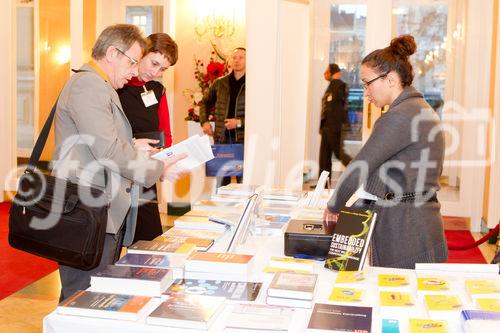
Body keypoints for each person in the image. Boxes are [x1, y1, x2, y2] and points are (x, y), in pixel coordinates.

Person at [52, 24, 187, 301]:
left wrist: (133, 147)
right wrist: (159, 169)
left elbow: (104, 143)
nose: (134, 71)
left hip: (99, 210)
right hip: (86, 212)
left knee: (95, 297)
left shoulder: (100, 85)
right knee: (82, 298)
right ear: (112, 53)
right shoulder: (89, 86)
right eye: (132, 62)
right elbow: (109, 151)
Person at [323, 35, 448, 269]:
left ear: (390, 79)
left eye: (367, 82)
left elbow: (360, 166)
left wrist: (333, 206)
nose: (366, 92)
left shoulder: (400, 116)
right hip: (418, 221)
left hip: (406, 229)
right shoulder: (417, 108)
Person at [117, 33, 177, 243]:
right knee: (113, 240)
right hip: (117, 170)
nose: (155, 72)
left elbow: (166, 134)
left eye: (162, 69)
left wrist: (164, 155)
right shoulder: (116, 85)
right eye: (154, 63)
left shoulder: (157, 90)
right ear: (141, 53)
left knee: (149, 241)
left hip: (145, 173)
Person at [199, 47, 246, 187]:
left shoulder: (254, 84)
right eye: (234, 57)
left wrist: (239, 123)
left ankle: (243, 208)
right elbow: (204, 103)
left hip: (243, 139)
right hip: (222, 138)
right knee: (222, 182)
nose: (236, 60)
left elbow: (260, 113)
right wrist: (204, 122)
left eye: (241, 57)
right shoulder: (220, 83)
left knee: (243, 182)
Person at [319, 63, 351, 175]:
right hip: (326, 126)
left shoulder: (339, 85)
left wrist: (337, 77)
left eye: (327, 72)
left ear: (333, 73)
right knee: (324, 156)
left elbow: (341, 103)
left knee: (339, 154)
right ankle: (322, 183)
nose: (324, 74)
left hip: (335, 126)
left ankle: (358, 170)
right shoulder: (332, 85)